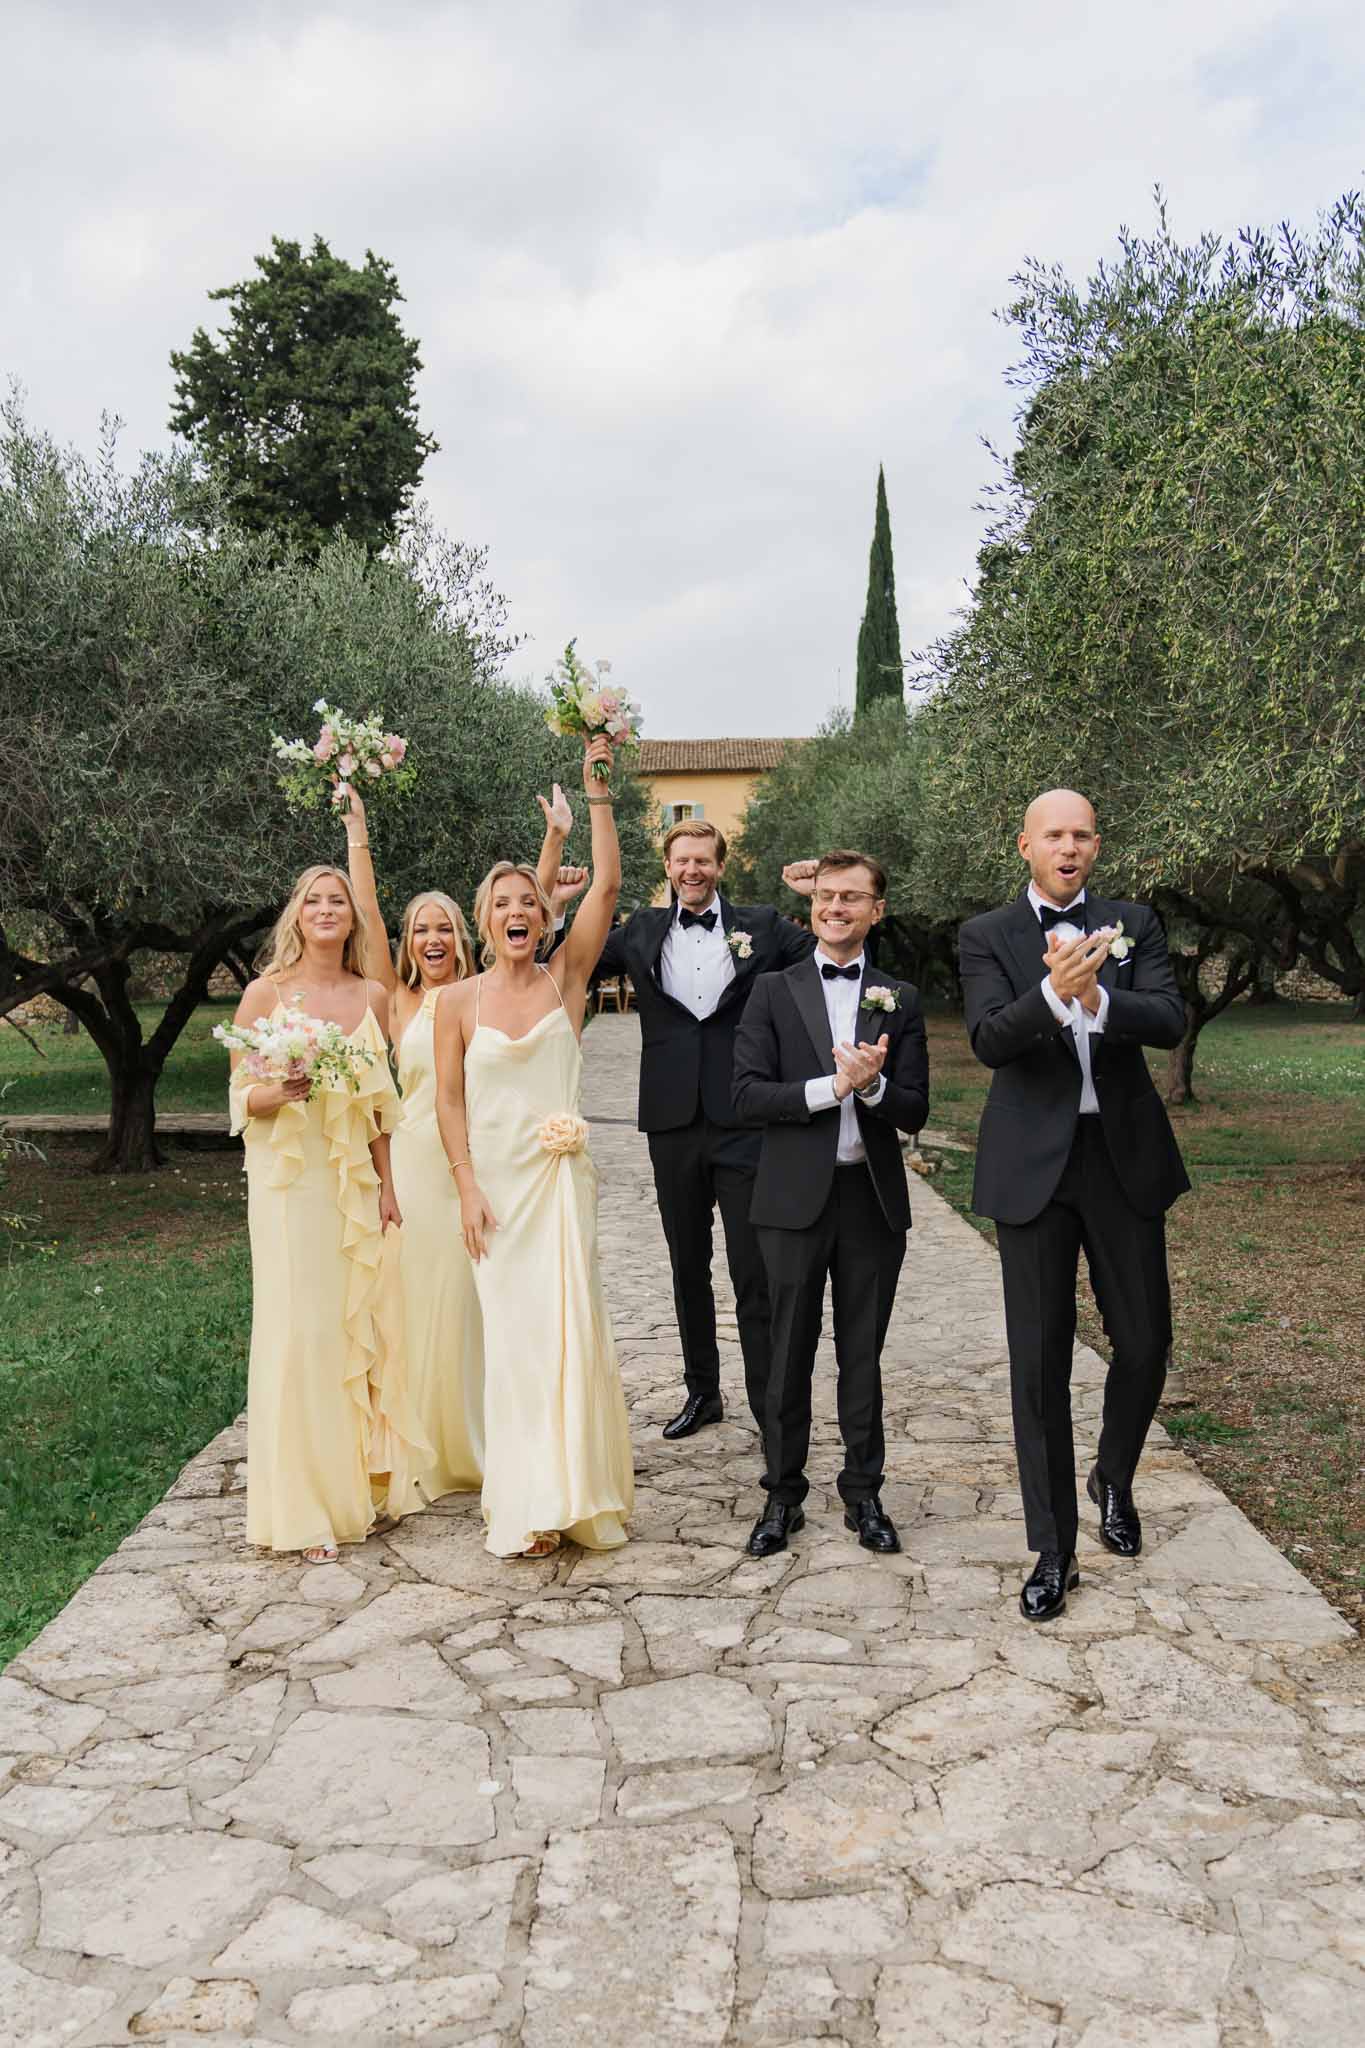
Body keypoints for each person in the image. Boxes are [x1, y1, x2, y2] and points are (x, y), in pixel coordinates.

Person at [958, 789, 1188, 1621]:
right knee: (1038, 1362)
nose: (1069, 846)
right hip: (1032, 1169)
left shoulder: (1134, 921)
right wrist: (1053, 995)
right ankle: (1052, 1549)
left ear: (1095, 847)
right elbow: (987, 1039)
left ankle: (1112, 1478)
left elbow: (1167, 1018)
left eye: (1082, 834)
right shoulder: (987, 935)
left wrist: (1097, 999)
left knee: (1145, 1342)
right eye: (1054, 834)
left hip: (1122, 1159)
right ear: (1024, 844)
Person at [340, 788, 577, 1510]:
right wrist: (357, 833)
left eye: (443, 926)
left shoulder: (480, 995)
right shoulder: (396, 999)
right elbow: (369, 915)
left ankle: (484, 1440)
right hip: (416, 1164)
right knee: (423, 1305)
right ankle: (428, 1446)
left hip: (486, 1160)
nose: (432, 938)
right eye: (421, 929)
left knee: (484, 1305)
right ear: (408, 943)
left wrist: (554, 842)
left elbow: (526, 908)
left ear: (462, 935)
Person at [433, 735, 633, 1557]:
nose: (517, 912)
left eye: (529, 902)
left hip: (558, 1188)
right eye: (503, 903)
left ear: (543, 916)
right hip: (495, 1198)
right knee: (514, 1347)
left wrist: (594, 793)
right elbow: (448, 1100)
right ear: (486, 920)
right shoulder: (455, 1003)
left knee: (569, 1335)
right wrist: (465, 1187)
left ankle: (572, 1496)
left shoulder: (567, 980)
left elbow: (611, 882)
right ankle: (524, 1501)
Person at [227, 865, 427, 1562]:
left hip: (353, 1186)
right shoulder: (265, 994)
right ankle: (302, 1509)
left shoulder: (371, 994)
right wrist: (276, 1091)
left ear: (351, 918)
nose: (325, 909)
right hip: (290, 1186)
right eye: (313, 900)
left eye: (337, 900)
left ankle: (355, 1493)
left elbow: (378, 1108)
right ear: (296, 914)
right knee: (299, 1336)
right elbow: (238, 1100)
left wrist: (389, 1187)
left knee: (353, 1332)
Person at [732, 851, 929, 1558]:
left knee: (861, 1357)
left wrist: (874, 1089)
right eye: (825, 897)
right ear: (810, 906)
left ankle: (863, 1494)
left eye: (851, 897)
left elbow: (915, 1110)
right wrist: (831, 1089)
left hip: (869, 1203)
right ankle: (781, 1497)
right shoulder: (773, 990)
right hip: (789, 1201)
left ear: (877, 910)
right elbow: (746, 1094)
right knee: (786, 1354)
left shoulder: (898, 997)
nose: (835, 908)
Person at [593, 825, 815, 1443]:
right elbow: (568, 955)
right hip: (671, 1122)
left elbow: (830, 958)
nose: (692, 870)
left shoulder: (764, 925)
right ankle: (702, 1392)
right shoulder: (640, 930)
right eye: (681, 859)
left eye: (703, 860)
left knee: (752, 1269)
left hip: (744, 1117)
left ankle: (770, 1406)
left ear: (720, 865)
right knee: (687, 1264)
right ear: (667, 865)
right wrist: (559, 903)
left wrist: (817, 891)